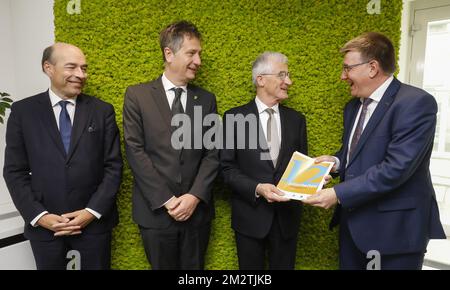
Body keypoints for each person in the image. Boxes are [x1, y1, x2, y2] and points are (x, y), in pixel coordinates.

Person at [302, 32, 446, 270]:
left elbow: (396, 169)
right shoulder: (353, 107)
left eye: (347, 69)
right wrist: (336, 162)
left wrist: (336, 194)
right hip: (353, 228)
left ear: (372, 68)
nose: (342, 76)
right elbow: (356, 154)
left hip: (395, 232)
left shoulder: (416, 103)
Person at [3, 43, 123, 270]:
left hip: (93, 229)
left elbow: (113, 167)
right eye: (72, 67)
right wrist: (40, 216)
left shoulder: (102, 111)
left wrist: (91, 212)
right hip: (46, 230)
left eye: (84, 68)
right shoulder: (23, 112)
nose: (80, 74)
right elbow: (14, 171)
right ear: (48, 68)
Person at [123, 20, 219, 270]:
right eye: (191, 53)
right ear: (169, 53)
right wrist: (167, 200)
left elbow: (212, 154)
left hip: (196, 215)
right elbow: (135, 151)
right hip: (155, 214)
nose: (198, 60)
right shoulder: (137, 96)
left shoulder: (207, 100)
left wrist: (194, 197)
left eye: (199, 53)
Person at [220, 52, 307, 270]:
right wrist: (258, 188)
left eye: (288, 75)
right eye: (282, 75)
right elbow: (226, 169)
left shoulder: (297, 120)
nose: (289, 81)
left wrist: (314, 176)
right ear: (261, 79)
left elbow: (301, 165)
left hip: (287, 220)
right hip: (249, 218)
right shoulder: (233, 118)